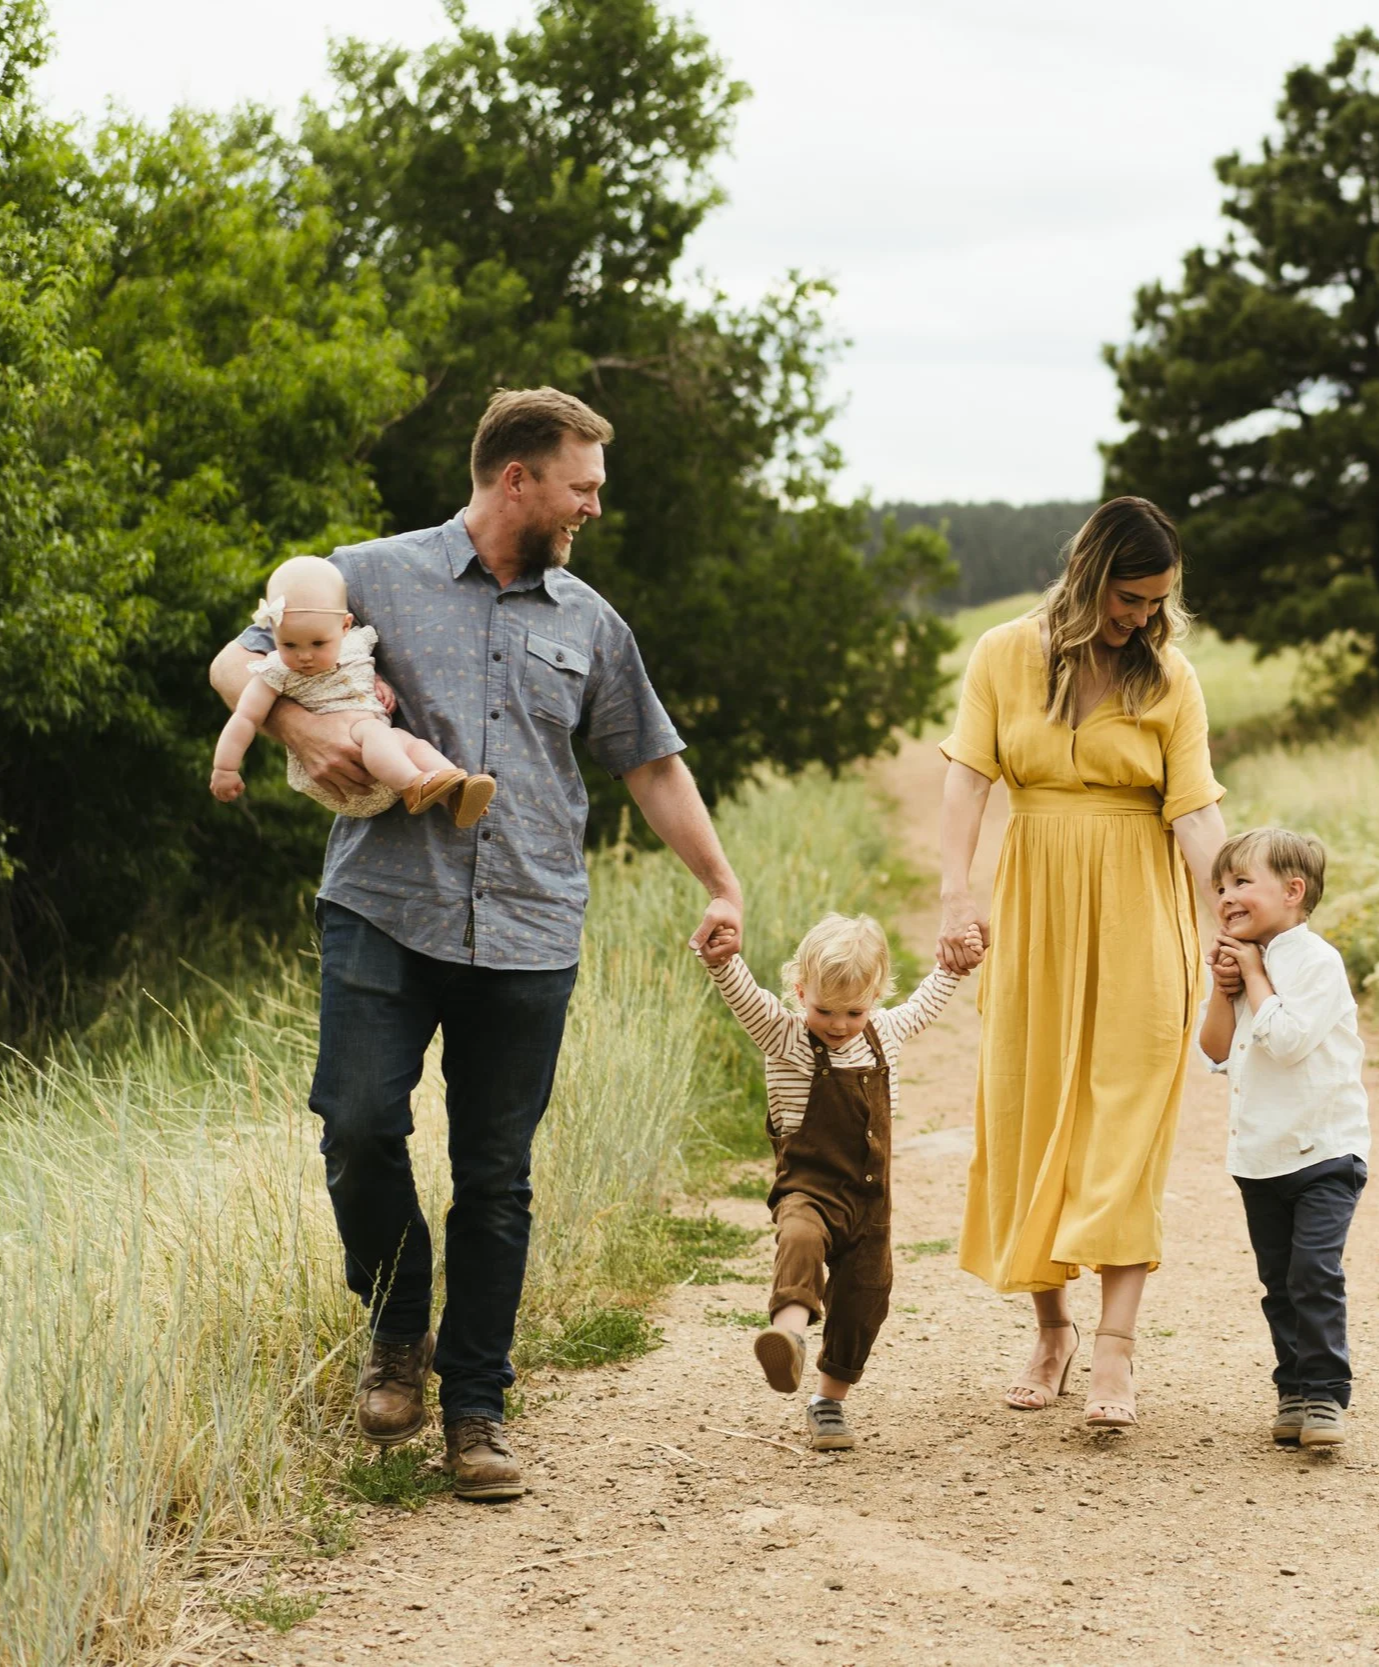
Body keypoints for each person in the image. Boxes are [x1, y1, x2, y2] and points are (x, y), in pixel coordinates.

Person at [208, 386, 743, 1501]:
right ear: (518, 480)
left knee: (494, 1177)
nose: (594, 504)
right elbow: (239, 661)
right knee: (356, 1123)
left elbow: (649, 762)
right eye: (581, 484)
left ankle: (475, 1409)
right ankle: (397, 1323)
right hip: (383, 908)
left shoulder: (590, 621)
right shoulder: (370, 572)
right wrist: (310, 725)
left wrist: (720, 880)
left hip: (529, 920)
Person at [937, 496, 1226, 1429]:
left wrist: (1226, 919)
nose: (1140, 615)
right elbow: (967, 779)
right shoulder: (1001, 655)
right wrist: (955, 892)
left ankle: (1115, 1349)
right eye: (1129, 595)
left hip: (1142, 908)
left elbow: (1194, 811)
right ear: (1089, 572)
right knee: (1029, 1107)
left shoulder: (1169, 676)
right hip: (1038, 903)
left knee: (1127, 1118)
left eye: (1154, 602)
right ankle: (1050, 1327)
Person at [698, 912, 981, 1450]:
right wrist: (722, 960)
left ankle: (829, 1402)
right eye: (824, 1009)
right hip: (807, 1187)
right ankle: (787, 1335)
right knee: (800, 1240)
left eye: (854, 1010)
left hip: (870, 1200)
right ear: (800, 991)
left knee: (865, 1295)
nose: (838, 1023)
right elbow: (745, 997)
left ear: (876, 996)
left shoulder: (886, 1033)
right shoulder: (784, 1036)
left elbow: (928, 1000)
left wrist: (956, 964)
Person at [1199, 827, 1370, 1448]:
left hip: (1325, 1150)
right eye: (1220, 886)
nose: (1226, 897)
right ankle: (1292, 1389)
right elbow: (1214, 1049)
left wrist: (1256, 975)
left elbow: (1291, 1042)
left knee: (1314, 1272)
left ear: (1293, 891)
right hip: (1259, 1155)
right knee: (1279, 1283)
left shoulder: (1315, 962)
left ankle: (1326, 1395)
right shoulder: (1240, 959)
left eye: (1242, 882)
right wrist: (1226, 988)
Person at [210, 554, 495, 825]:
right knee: (374, 731)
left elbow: (365, 668)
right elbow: (245, 719)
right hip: (344, 777)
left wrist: (378, 683)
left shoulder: (356, 645)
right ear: (274, 634)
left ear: (345, 626)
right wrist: (225, 769)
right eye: (289, 645)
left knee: (410, 743)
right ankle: (412, 785)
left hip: (380, 758)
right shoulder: (275, 672)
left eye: (318, 644)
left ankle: (454, 796)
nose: (304, 656)